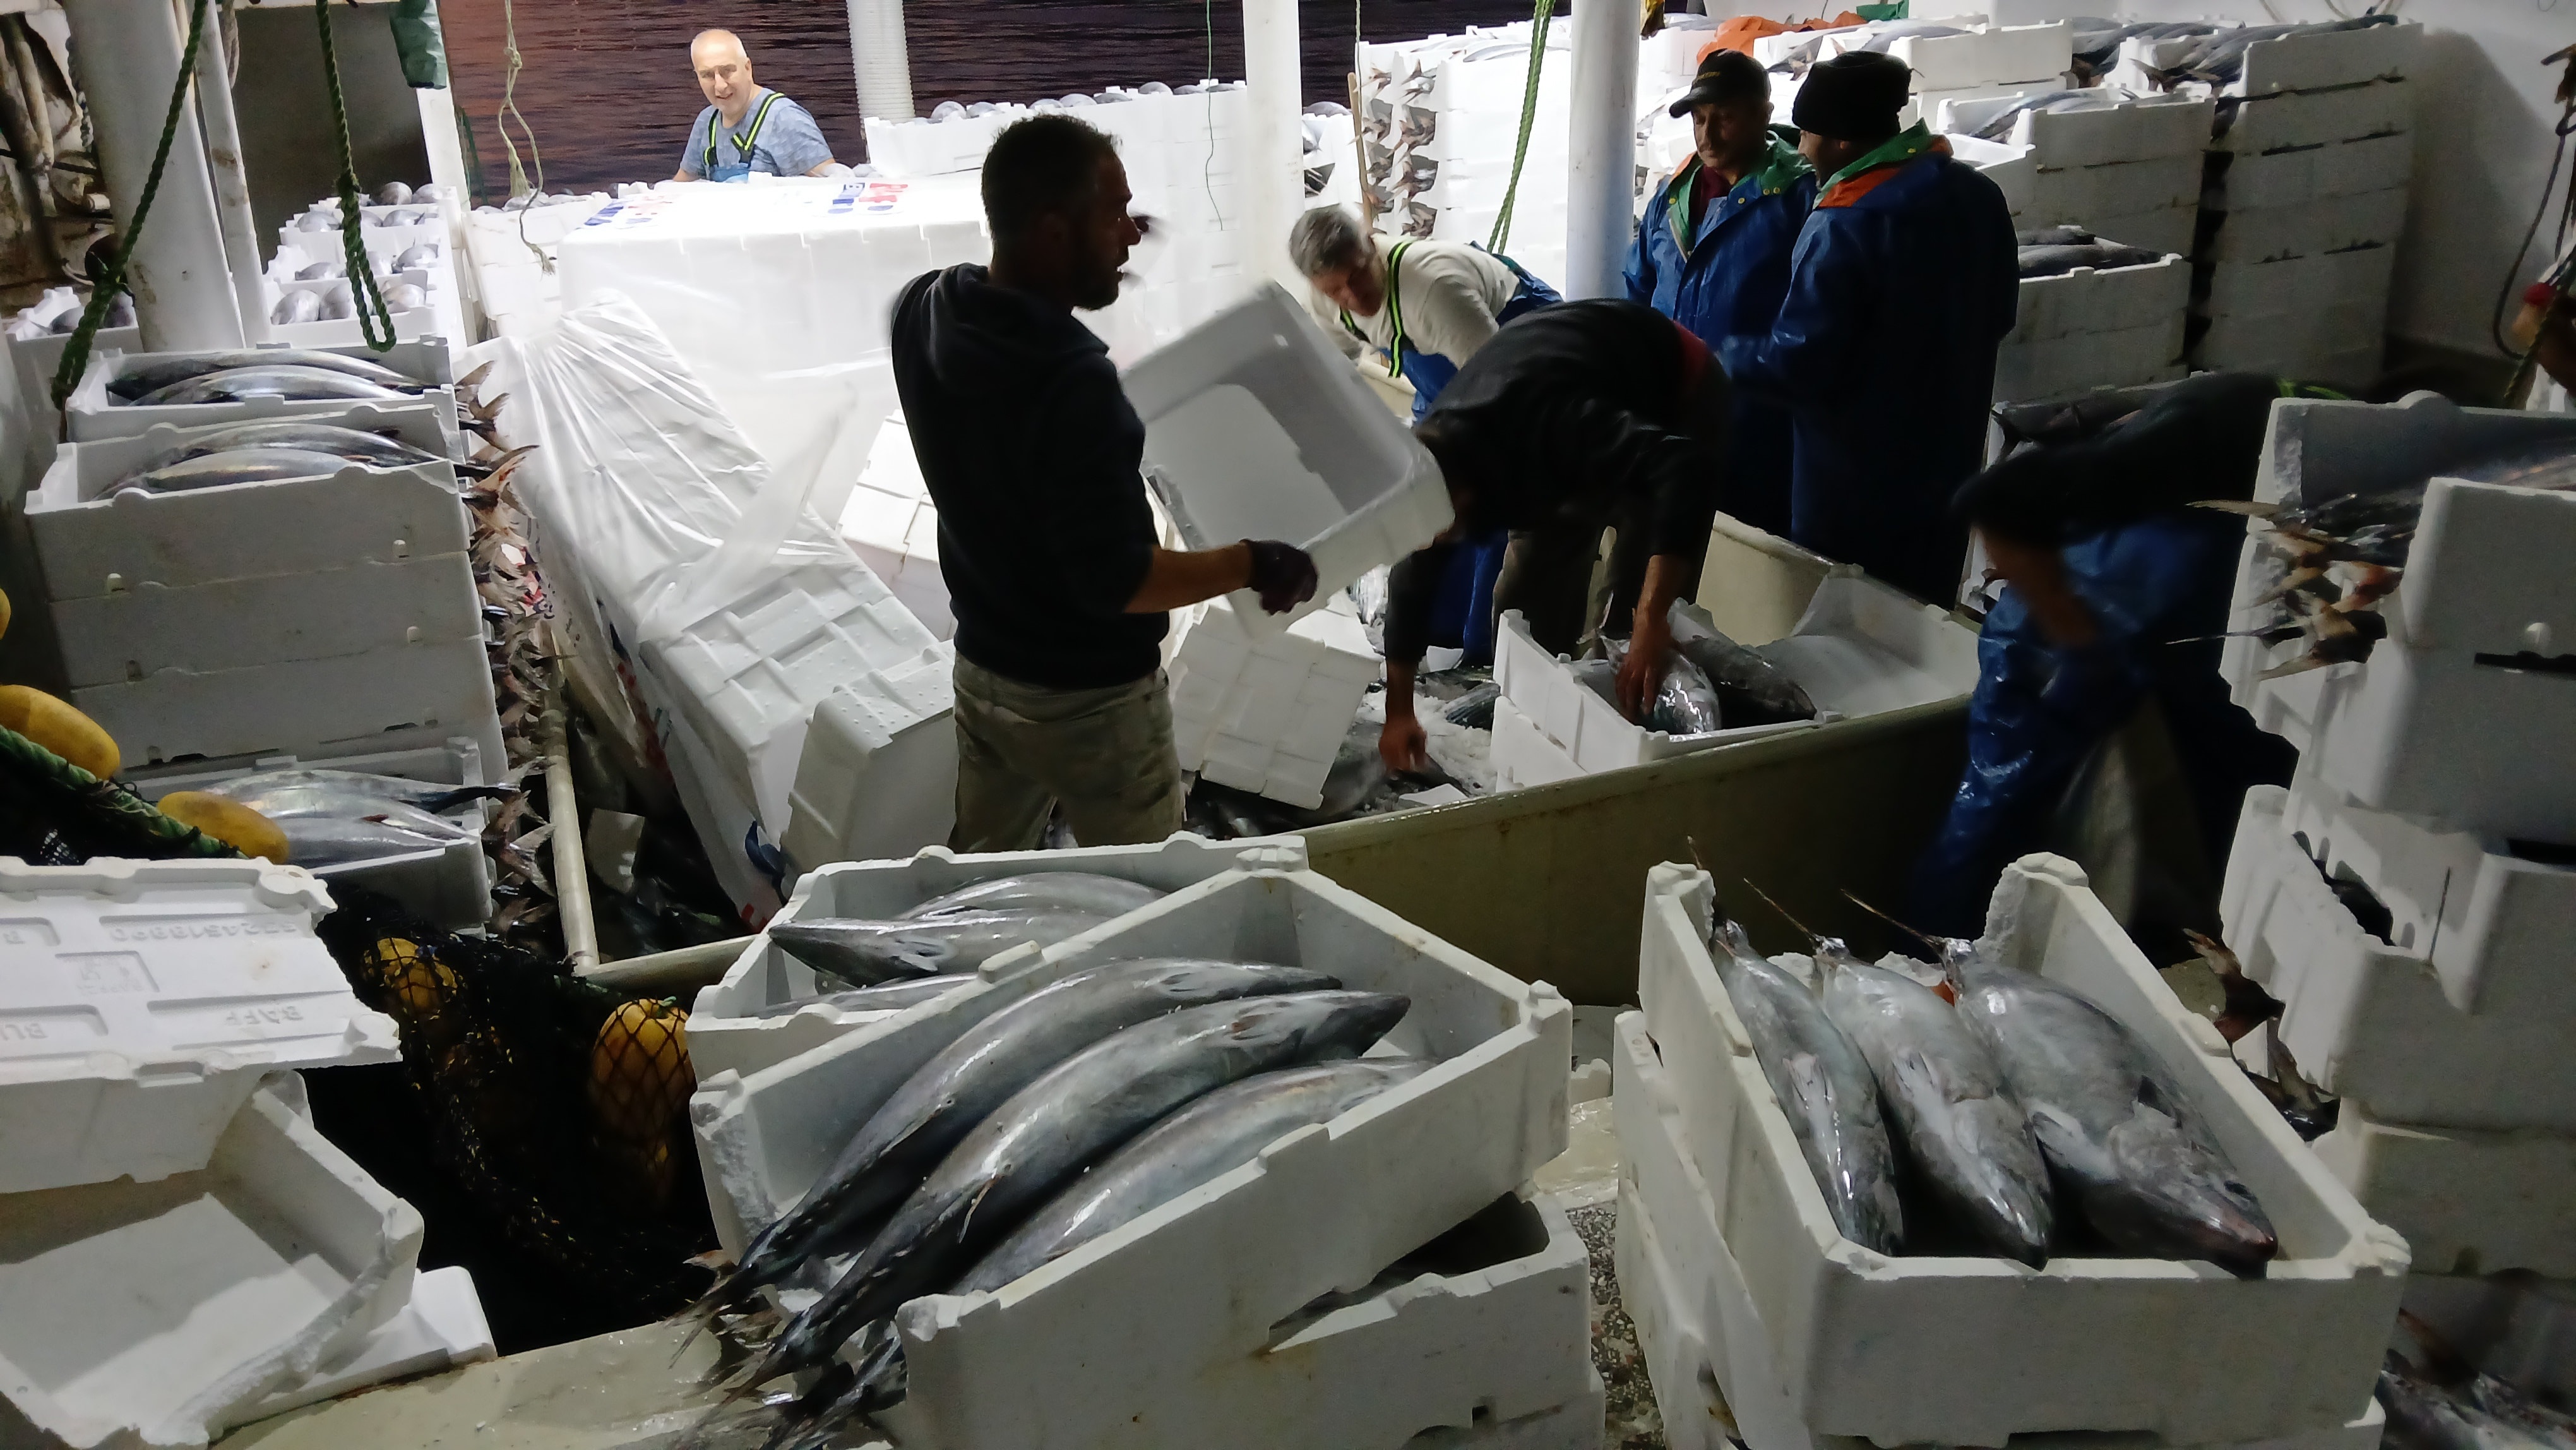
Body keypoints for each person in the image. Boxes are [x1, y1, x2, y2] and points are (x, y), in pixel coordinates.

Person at [890, 115, 1319, 851]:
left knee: (984, 880)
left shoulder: (924, 308)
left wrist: (1095, 237)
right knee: (1148, 897)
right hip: (1092, 703)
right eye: (1114, 214)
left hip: (985, 670)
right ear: (1054, 231)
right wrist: (1256, 562)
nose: (1130, 235)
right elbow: (1123, 581)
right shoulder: (1071, 384)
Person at [1912, 373, 2332, 949]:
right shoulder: (2120, 477)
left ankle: (2225, 922)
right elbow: (1987, 501)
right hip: (2072, 631)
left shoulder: (2293, 455)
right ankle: (1929, 947)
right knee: (1999, 798)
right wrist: (2073, 632)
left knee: (2237, 772)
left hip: (2189, 609)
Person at [1717, 50, 2018, 605]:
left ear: (1840, 141)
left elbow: (1799, 364)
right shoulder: (1978, 196)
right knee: (1922, 622)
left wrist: (1720, 356)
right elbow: (2000, 316)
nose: (1801, 149)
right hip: (1947, 471)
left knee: (1847, 629)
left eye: (1807, 134)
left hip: (1851, 489)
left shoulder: (1844, 223)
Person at [1378, 299, 1728, 770]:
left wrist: (1652, 617)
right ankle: (1543, 739)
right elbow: (1411, 580)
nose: (1439, 543)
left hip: (1675, 390)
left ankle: (1629, 756)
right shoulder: (1434, 464)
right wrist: (1399, 713)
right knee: (1523, 606)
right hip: (1561, 417)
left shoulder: (1549, 423)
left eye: (1444, 528)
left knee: (1632, 631)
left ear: (1463, 494)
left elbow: (1682, 469)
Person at [1625, 48, 1815, 537]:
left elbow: (1812, 315)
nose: (1707, 136)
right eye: (1699, 119)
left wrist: (1737, 362)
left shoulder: (1796, 196)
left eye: (1725, 119)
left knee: (1743, 544)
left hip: (1753, 416)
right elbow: (1638, 287)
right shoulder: (1673, 195)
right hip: (1673, 402)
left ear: (1763, 115)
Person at [1290, 207, 1563, 423]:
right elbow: (1338, 368)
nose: (1353, 297)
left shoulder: (1435, 292)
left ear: (1372, 247)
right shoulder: (1322, 301)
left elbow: (1498, 385)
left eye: (1359, 274)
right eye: (1335, 290)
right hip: (1443, 346)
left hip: (1517, 327)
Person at [672, 30, 840, 183]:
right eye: (708, 75)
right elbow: (680, 186)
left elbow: (831, 185)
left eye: (727, 71)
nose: (720, 85)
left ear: (748, 68)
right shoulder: (706, 122)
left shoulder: (784, 118)